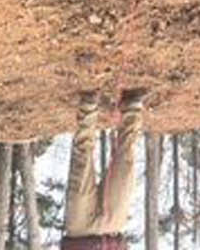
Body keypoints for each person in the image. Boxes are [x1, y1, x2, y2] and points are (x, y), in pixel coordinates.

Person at [61, 90, 145, 250]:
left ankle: (88, 108)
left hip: (80, 230)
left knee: (82, 163)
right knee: (125, 167)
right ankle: (131, 108)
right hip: (113, 232)